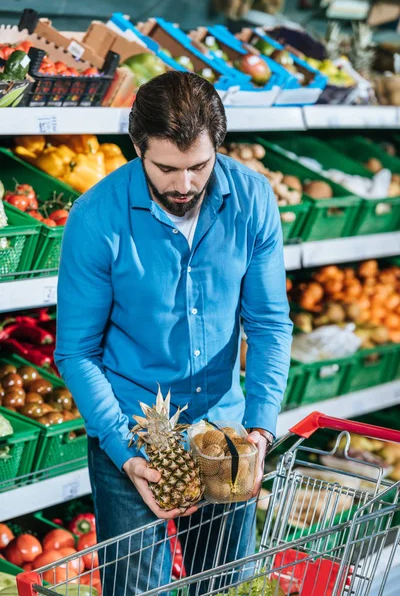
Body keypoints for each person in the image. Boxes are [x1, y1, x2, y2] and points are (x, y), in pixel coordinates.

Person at [55, 70, 292, 595]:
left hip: (224, 432)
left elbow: (270, 324)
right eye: (166, 168)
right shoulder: (96, 217)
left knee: (226, 586)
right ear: (137, 146)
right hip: (133, 434)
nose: (183, 185)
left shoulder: (252, 200)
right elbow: (76, 351)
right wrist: (122, 447)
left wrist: (259, 429)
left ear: (218, 149)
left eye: (198, 166)